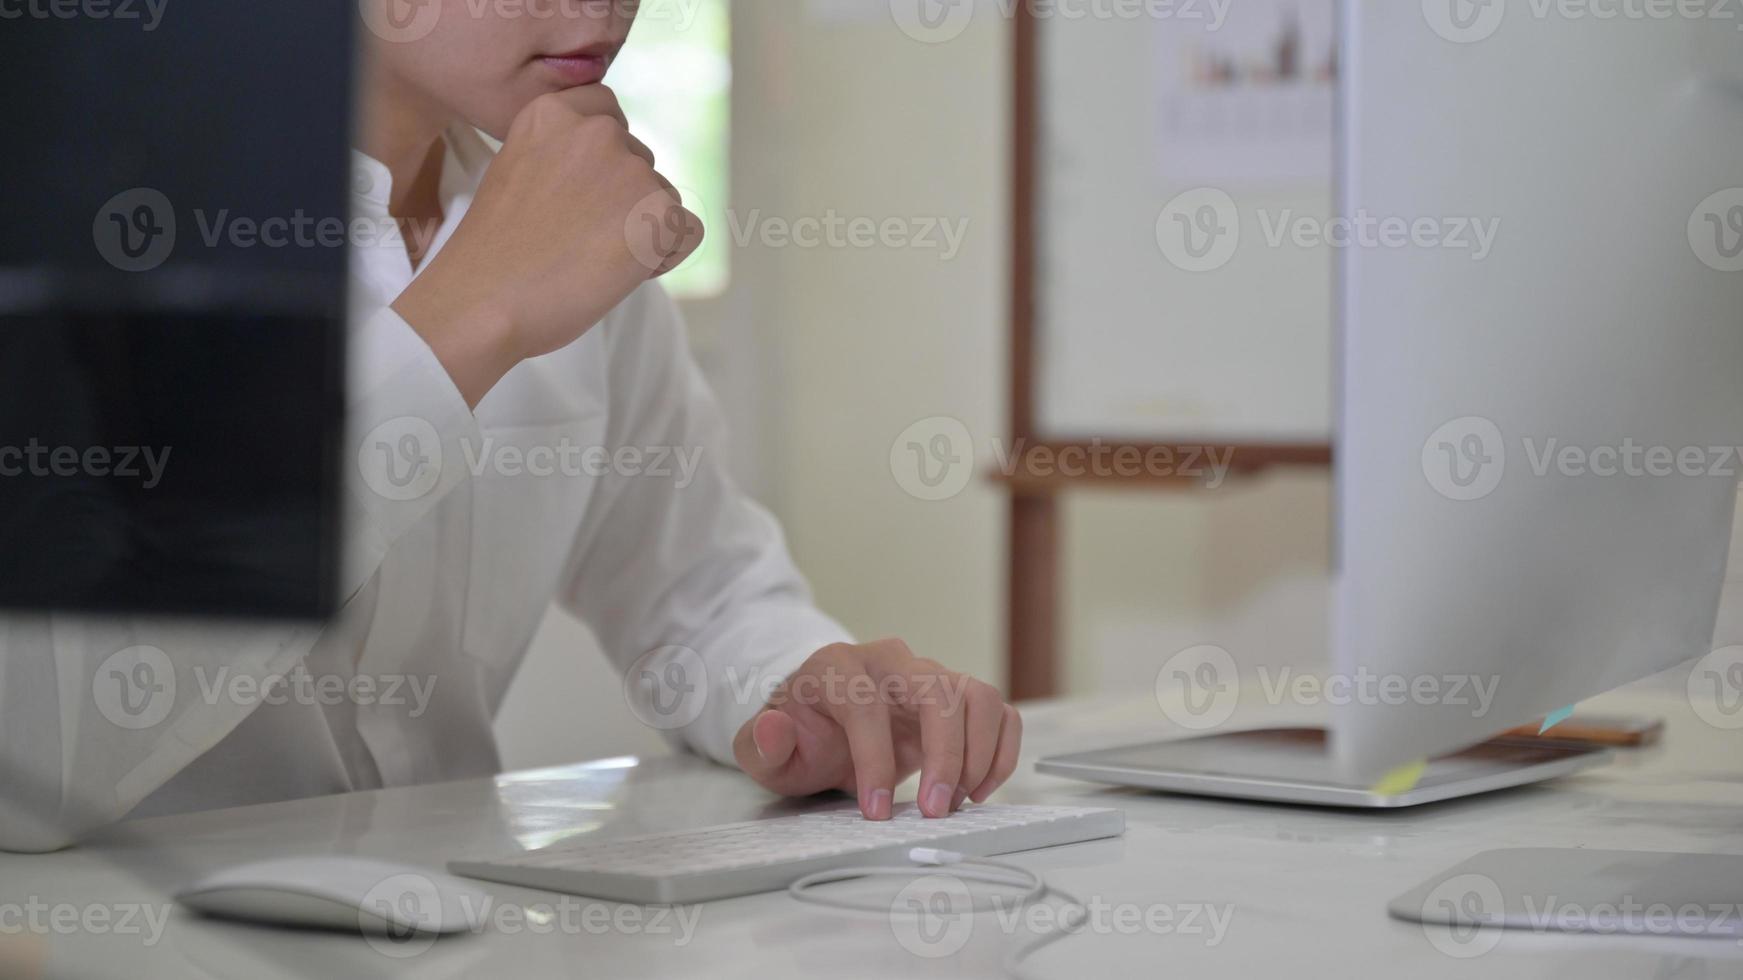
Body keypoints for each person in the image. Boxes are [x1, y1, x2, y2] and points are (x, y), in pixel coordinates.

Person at [0, 2, 1020, 853]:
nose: (598, 14)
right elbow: (29, 765)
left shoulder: (563, 203)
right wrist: (464, 324)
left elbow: (695, 592)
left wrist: (802, 687)